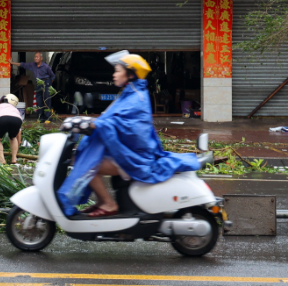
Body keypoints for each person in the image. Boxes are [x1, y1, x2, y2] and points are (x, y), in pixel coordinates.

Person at [56, 51, 200, 218]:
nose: (114, 74)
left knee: (86, 162)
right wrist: (85, 121)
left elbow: (114, 124)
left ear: (130, 74)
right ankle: (103, 202)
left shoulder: (135, 99)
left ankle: (109, 203)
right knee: (81, 156)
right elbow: (109, 118)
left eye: (118, 70)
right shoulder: (130, 93)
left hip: (134, 156)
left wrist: (83, 123)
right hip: (125, 150)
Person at [13, 52, 54, 123]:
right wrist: (12, 63)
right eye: (35, 57)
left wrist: (49, 83)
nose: (36, 58)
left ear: (41, 58)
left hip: (46, 82)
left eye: (37, 57)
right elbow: (23, 64)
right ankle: (40, 118)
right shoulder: (33, 65)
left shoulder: (46, 66)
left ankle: (48, 118)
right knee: (39, 101)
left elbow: (53, 76)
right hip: (38, 83)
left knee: (47, 100)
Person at [0, 93, 24, 165]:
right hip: (17, 120)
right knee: (13, 137)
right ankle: (14, 159)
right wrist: (18, 144)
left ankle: (2, 160)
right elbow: (19, 132)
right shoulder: (15, 109)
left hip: (2, 119)